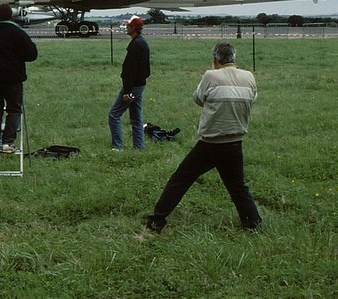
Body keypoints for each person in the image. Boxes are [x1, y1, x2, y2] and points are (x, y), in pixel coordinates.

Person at [146, 42, 262, 232]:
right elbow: (252, 99)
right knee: (238, 188)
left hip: (210, 143)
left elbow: (198, 99)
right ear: (234, 58)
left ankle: (157, 219)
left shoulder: (210, 76)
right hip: (234, 143)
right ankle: (253, 224)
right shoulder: (248, 76)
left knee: (180, 180)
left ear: (215, 59)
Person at [0, 4, 38, 163]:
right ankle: (8, 142)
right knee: (14, 110)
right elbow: (32, 55)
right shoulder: (18, 33)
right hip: (12, 79)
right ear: (11, 16)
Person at [108, 15, 150, 150]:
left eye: (128, 26)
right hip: (140, 86)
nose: (126, 27)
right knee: (136, 119)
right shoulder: (141, 42)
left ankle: (117, 147)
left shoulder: (136, 45)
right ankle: (139, 147)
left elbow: (130, 70)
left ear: (133, 28)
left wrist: (127, 91)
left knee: (114, 115)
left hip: (133, 88)